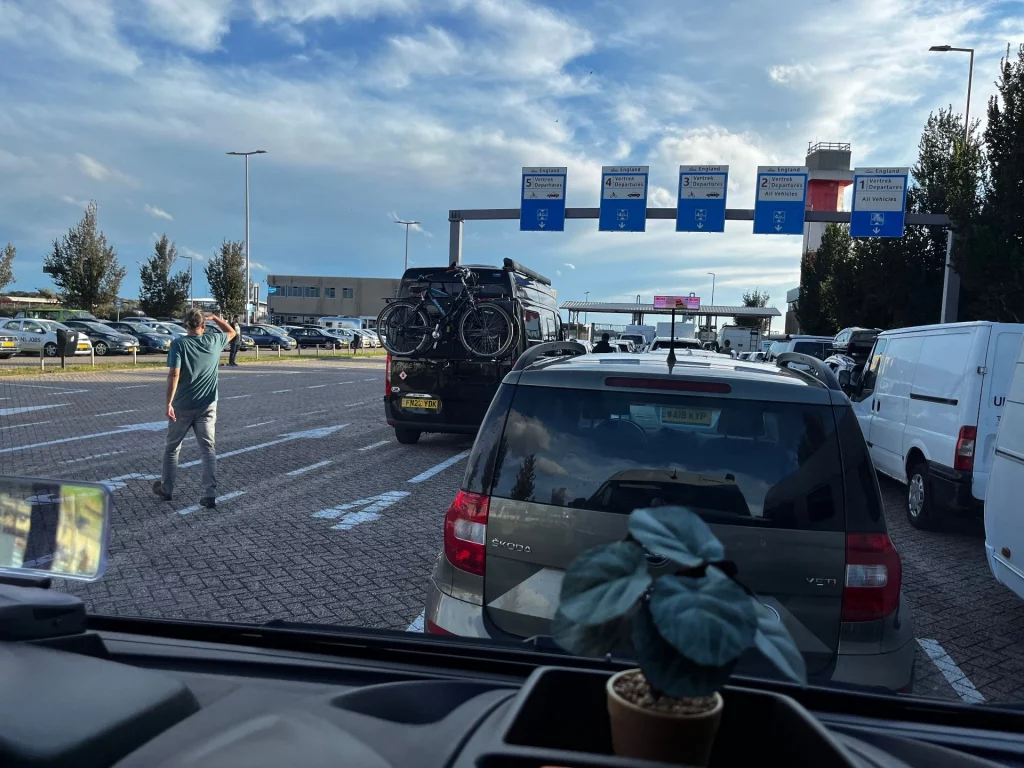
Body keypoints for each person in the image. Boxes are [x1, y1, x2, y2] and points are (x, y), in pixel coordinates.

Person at [153, 309, 236, 509]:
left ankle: (167, 489)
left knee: (172, 448)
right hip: (207, 405)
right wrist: (216, 317)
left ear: (186, 325)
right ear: (203, 325)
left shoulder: (179, 345)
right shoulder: (214, 341)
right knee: (208, 449)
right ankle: (209, 493)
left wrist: (168, 403)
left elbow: (174, 375)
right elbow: (232, 332)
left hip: (182, 405)